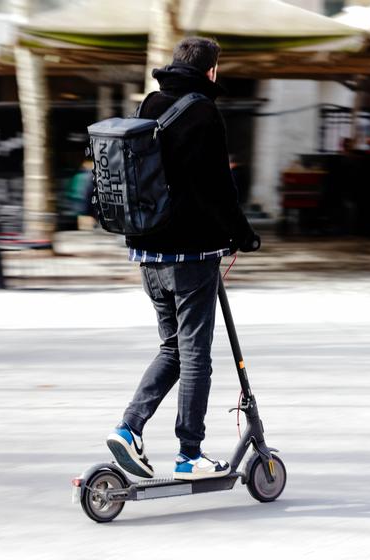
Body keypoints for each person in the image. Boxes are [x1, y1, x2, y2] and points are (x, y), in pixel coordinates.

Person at [106, 37, 261, 480]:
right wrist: (244, 236)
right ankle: (189, 454)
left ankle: (129, 427)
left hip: (146, 253)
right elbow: (218, 188)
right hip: (190, 258)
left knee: (172, 347)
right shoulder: (204, 112)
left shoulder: (149, 103)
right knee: (195, 355)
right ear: (211, 71)